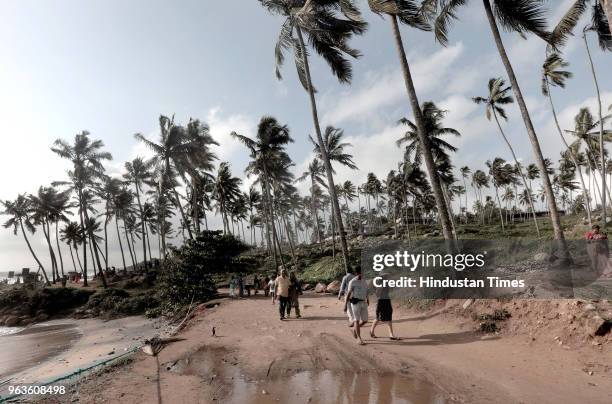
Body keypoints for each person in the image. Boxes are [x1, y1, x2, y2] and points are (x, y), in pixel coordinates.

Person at [370, 272, 398, 340]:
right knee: (378, 317)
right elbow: (377, 294)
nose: (386, 277)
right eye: (384, 276)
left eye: (386, 276)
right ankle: (371, 332)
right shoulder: (379, 283)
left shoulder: (387, 282)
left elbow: (392, 289)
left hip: (387, 300)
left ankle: (391, 334)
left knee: (389, 316)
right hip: (380, 301)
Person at [344, 269, 369, 345]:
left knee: (365, 320)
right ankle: (359, 339)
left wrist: (368, 299)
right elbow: (349, 293)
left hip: (363, 302)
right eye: (361, 273)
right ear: (357, 273)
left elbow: (366, 291)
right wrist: (345, 304)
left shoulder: (364, 281)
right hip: (355, 303)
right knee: (356, 320)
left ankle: (355, 329)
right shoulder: (352, 282)